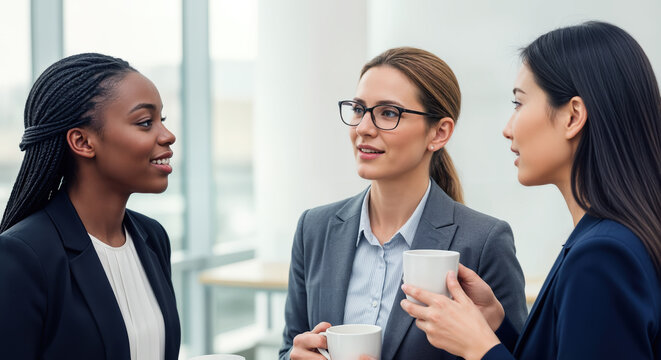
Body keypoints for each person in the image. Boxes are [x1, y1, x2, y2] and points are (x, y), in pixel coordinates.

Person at [400, 21, 661, 359]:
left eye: (519, 104)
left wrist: (481, 349)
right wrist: (496, 326)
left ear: (573, 116)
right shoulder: (611, 238)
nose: (508, 129)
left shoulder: (602, 257)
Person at [279, 47, 528, 360]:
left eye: (388, 113)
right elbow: (290, 345)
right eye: (358, 109)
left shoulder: (483, 241)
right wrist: (293, 357)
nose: (363, 129)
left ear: (439, 133)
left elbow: (518, 355)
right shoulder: (314, 229)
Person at [0, 53, 181, 359]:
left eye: (161, 121)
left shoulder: (152, 238)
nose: (168, 135)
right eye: (145, 122)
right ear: (82, 142)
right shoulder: (23, 256)